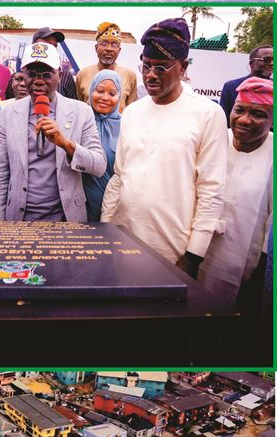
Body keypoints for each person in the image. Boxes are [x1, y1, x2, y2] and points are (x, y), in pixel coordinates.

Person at [101, 18, 227, 274]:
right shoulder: (133, 112)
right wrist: (106, 227)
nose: (150, 75)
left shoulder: (208, 114)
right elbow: (119, 176)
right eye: (146, 66)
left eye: (161, 68)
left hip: (172, 252)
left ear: (182, 68)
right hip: (121, 240)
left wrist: (193, 255)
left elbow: (211, 190)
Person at [0, 41, 106, 222]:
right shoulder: (7, 114)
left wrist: (66, 144)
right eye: (32, 74)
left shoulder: (81, 111)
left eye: (46, 75)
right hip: (19, 219)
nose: (38, 81)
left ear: (59, 75)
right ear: (22, 75)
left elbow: (99, 166)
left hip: (66, 219)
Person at [199, 77, 273, 307]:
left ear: (272, 120)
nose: (245, 120)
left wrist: (262, 270)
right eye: (239, 110)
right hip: (199, 252)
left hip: (247, 266)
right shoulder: (217, 138)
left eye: (258, 114)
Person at [83, 69, 122, 221]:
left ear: (119, 96)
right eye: (99, 91)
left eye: (112, 94)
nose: (105, 98)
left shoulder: (126, 125)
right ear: (91, 90)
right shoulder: (80, 120)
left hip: (114, 208)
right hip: (80, 205)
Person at [76, 22, 139, 110]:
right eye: (104, 44)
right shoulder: (83, 74)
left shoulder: (130, 75)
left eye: (114, 45)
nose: (109, 49)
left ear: (119, 50)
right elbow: (78, 107)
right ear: (96, 48)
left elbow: (132, 110)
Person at [219, 45, 273, 124]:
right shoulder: (231, 86)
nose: (272, 63)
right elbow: (224, 121)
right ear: (252, 63)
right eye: (267, 60)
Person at [31, 27, 77, 99]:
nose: (51, 48)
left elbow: (72, 105)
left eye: (54, 46)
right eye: (47, 45)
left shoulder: (66, 76)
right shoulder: (21, 75)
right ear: (34, 45)